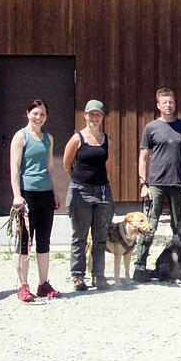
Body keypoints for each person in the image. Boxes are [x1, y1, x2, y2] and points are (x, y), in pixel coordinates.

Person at [132, 87, 181, 282]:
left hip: (179, 184)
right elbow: (143, 156)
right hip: (156, 184)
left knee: (180, 229)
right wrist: (143, 183)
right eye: (164, 102)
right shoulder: (151, 128)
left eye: (171, 102)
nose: (168, 105)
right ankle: (140, 265)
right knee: (148, 226)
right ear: (158, 105)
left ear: (174, 104)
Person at [9, 98, 62, 302]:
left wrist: (55, 193)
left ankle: (43, 283)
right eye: (35, 113)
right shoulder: (20, 137)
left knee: (43, 240)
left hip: (45, 194)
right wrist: (17, 195)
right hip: (26, 194)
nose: (39, 118)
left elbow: (50, 167)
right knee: (24, 241)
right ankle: (22, 284)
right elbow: (14, 167)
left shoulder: (48, 138)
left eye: (43, 114)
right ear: (28, 113)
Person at [63, 99, 113, 291]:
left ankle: (98, 275)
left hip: (102, 192)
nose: (94, 118)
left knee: (100, 236)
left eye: (97, 114)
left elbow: (106, 163)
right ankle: (78, 276)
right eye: (91, 114)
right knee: (80, 235)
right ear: (85, 116)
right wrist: (79, 183)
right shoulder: (77, 138)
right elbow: (67, 165)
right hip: (80, 191)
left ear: (102, 117)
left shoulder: (106, 139)